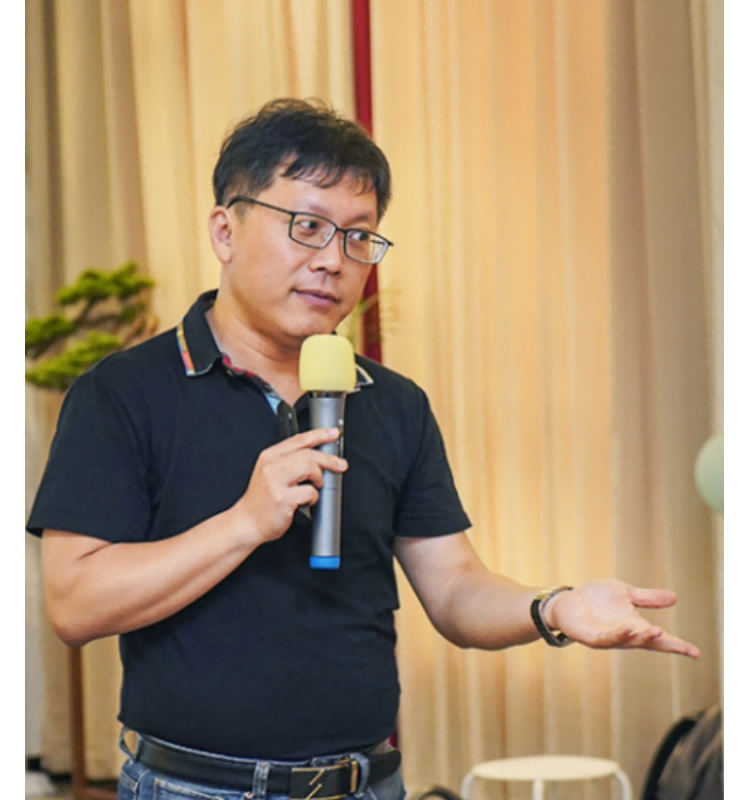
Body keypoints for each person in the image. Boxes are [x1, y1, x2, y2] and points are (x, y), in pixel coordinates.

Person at [27, 98, 700, 800]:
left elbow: (456, 590)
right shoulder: (123, 393)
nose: (332, 260)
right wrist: (242, 524)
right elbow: (75, 603)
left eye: (358, 237)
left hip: (367, 782)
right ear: (225, 231)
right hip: (193, 787)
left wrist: (553, 608)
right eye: (307, 227)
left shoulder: (392, 402)